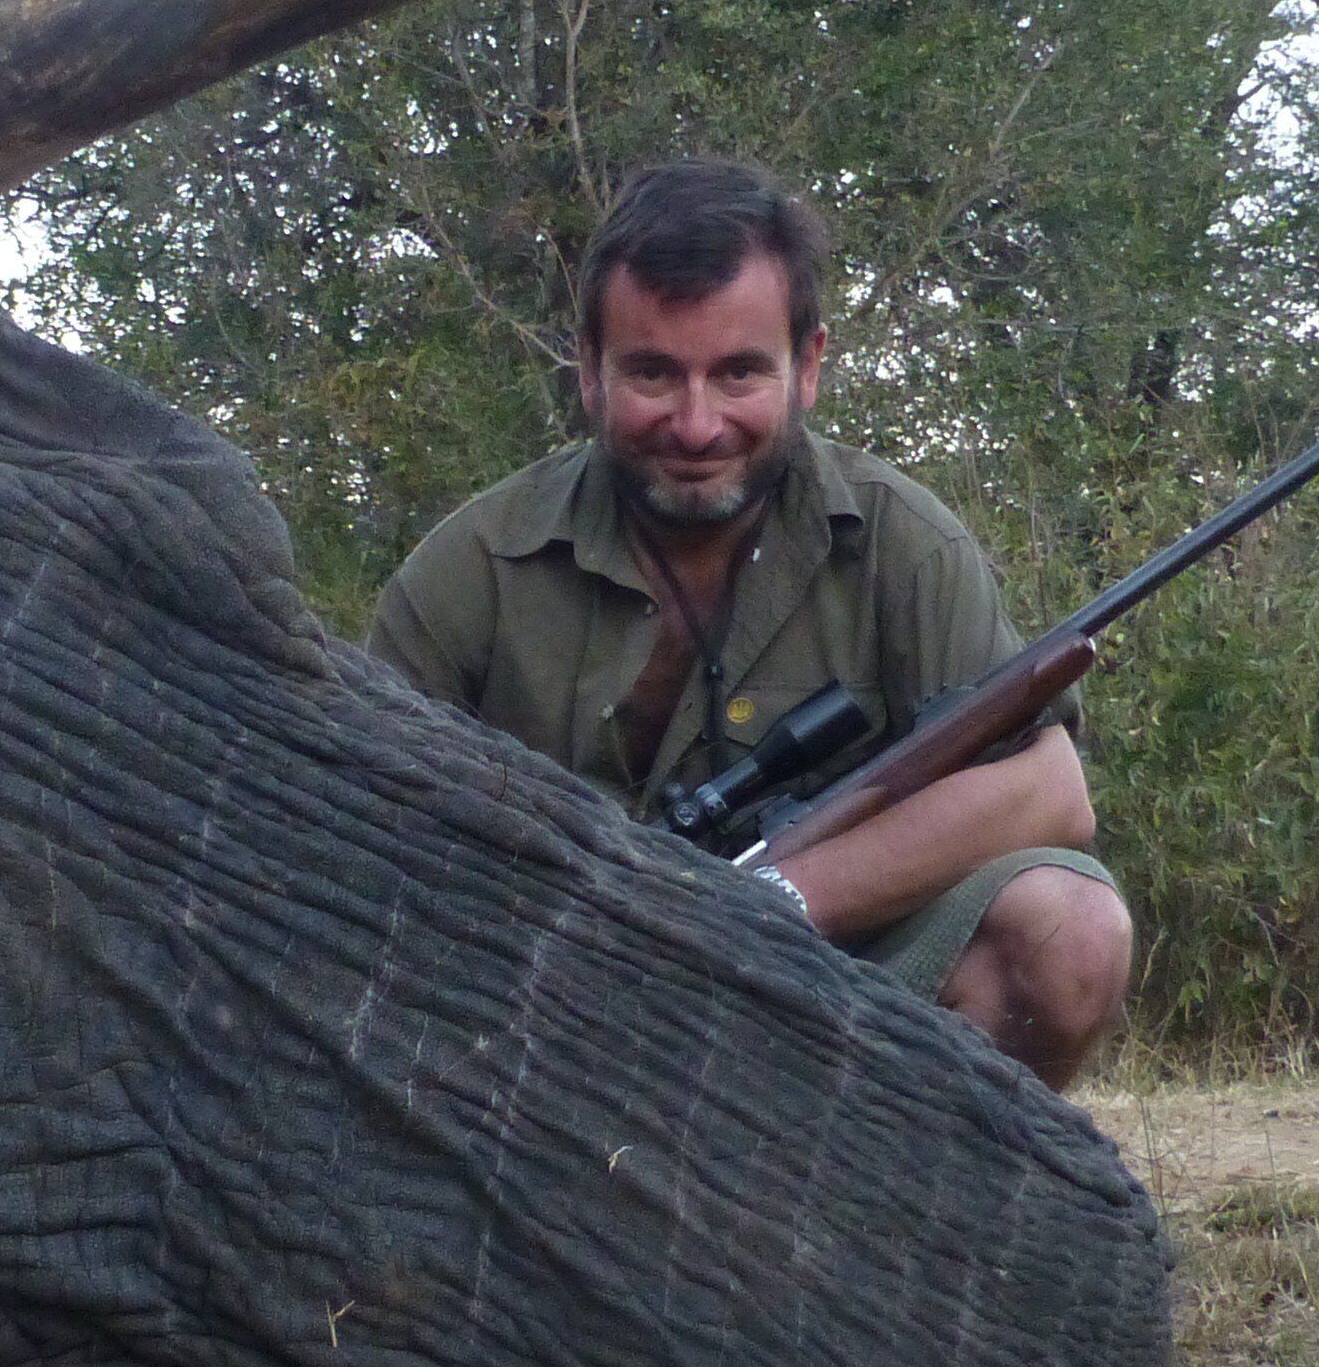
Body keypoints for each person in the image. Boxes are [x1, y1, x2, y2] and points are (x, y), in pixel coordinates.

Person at [367, 159, 1133, 1087]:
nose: (696, 426)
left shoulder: (905, 541)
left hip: (832, 1002)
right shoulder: (466, 570)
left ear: (807, 366)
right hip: (536, 1018)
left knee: (1069, 928)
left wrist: (765, 901)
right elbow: (365, 848)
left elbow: (1049, 792)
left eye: (738, 373)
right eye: (654, 373)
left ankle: (903, 1222)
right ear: (590, 375)